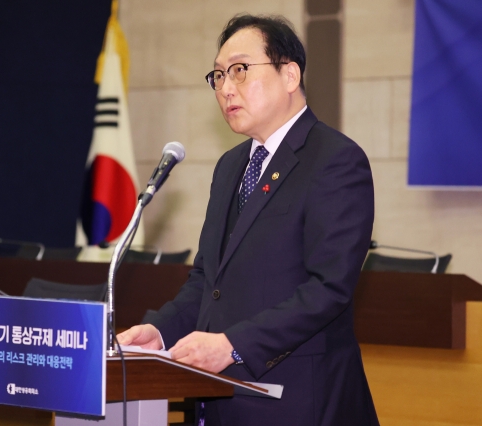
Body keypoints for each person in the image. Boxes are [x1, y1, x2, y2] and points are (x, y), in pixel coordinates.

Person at [118, 14, 379, 425]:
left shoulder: (335, 160)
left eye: (239, 71)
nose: (225, 89)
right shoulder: (230, 166)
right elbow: (208, 281)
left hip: (298, 400)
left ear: (289, 74)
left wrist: (232, 345)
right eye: (218, 76)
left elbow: (328, 289)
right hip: (218, 398)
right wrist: (162, 332)